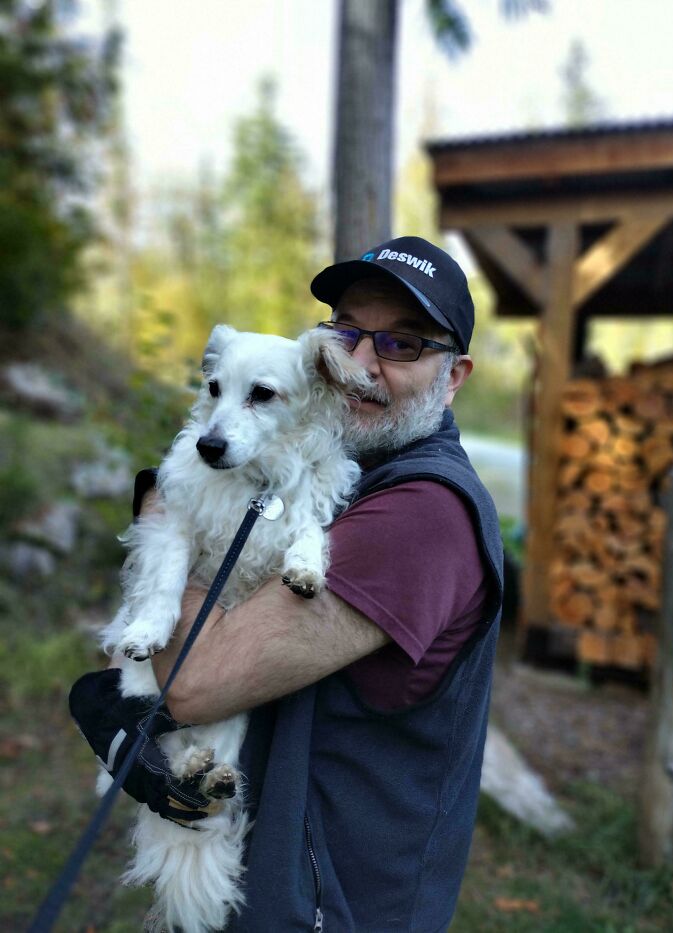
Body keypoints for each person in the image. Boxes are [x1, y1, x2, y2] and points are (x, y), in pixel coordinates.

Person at [70, 235, 503, 932]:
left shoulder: (421, 514)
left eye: (403, 344)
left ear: (453, 376)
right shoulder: (340, 470)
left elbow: (194, 679)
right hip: (269, 877)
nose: (359, 363)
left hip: (325, 905)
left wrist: (167, 506)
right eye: (348, 330)